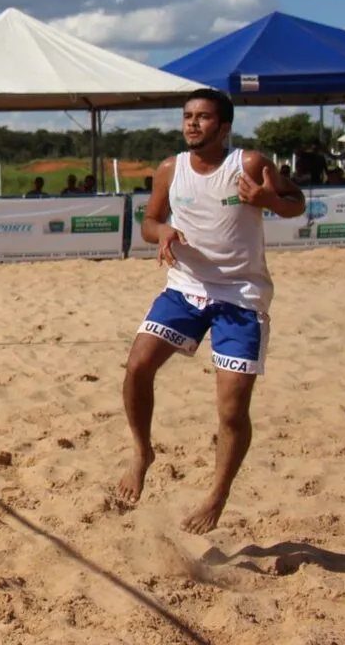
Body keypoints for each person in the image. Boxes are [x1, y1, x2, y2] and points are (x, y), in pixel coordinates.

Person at [116, 88, 306, 534]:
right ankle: (142, 451)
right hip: (186, 287)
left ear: (223, 127)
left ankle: (216, 495)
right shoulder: (170, 169)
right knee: (137, 365)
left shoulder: (251, 164)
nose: (192, 124)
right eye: (187, 117)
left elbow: (296, 201)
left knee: (232, 411)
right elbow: (147, 222)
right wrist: (161, 230)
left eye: (202, 118)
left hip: (240, 296)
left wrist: (269, 201)